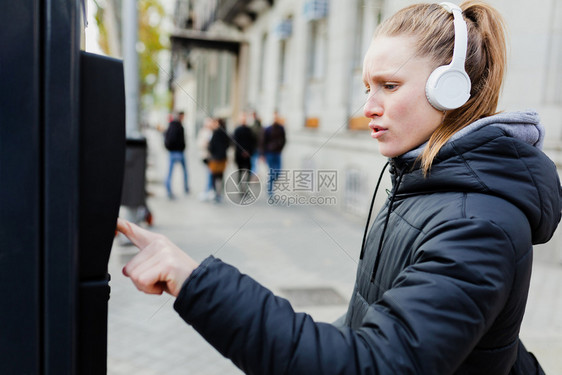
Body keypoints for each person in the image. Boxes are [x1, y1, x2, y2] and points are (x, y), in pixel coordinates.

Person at [117, 2, 561, 374]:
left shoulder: (476, 225)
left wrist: (198, 285)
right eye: (367, 87)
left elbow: (374, 363)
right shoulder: (422, 185)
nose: (368, 107)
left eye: (389, 85)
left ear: (450, 90)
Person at [164, 111, 189, 199]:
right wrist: (181, 147)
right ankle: (185, 188)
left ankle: (169, 190)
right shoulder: (178, 126)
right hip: (178, 152)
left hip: (173, 152)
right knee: (184, 171)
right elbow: (176, 140)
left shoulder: (171, 126)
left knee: (170, 172)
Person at [262, 111, 286, 196]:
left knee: (278, 172)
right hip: (270, 153)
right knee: (272, 171)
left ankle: (269, 185)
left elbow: (284, 140)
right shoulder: (268, 129)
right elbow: (264, 142)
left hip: (278, 153)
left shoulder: (281, 128)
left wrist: (280, 148)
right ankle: (270, 190)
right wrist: (263, 154)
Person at [207, 118, 230, 203]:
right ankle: (220, 193)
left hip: (215, 158)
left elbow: (211, 146)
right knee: (220, 176)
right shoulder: (225, 133)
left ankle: (215, 193)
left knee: (214, 176)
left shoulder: (215, 133)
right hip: (223, 158)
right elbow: (228, 145)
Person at [232, 112, 257, 186]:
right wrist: (242, 152)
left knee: (248, 171)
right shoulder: (237, 130)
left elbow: (252, 142)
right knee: (240, 171)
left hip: (247, 154)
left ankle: (246, 186)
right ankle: (240, 187)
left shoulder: (249, 130)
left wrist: (248, 152)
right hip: (240, 155)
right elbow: (235, 142)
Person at [196, 117, 217, 201]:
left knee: (211, 174)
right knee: (209, 174)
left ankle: (211, 190)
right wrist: (206, 144)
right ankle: (208, 190)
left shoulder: (213, 132)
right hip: (206, 156)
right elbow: (200, 144)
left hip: (213, 157)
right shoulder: (204, 132)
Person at [249, 110, 263, 175]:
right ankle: (254, 173)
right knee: (254, 161)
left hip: (256, 146)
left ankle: (254, 173)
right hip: (253, 146)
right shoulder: (252, 124)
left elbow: (257, 134)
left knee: (255, 160)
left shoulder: (257, 124)